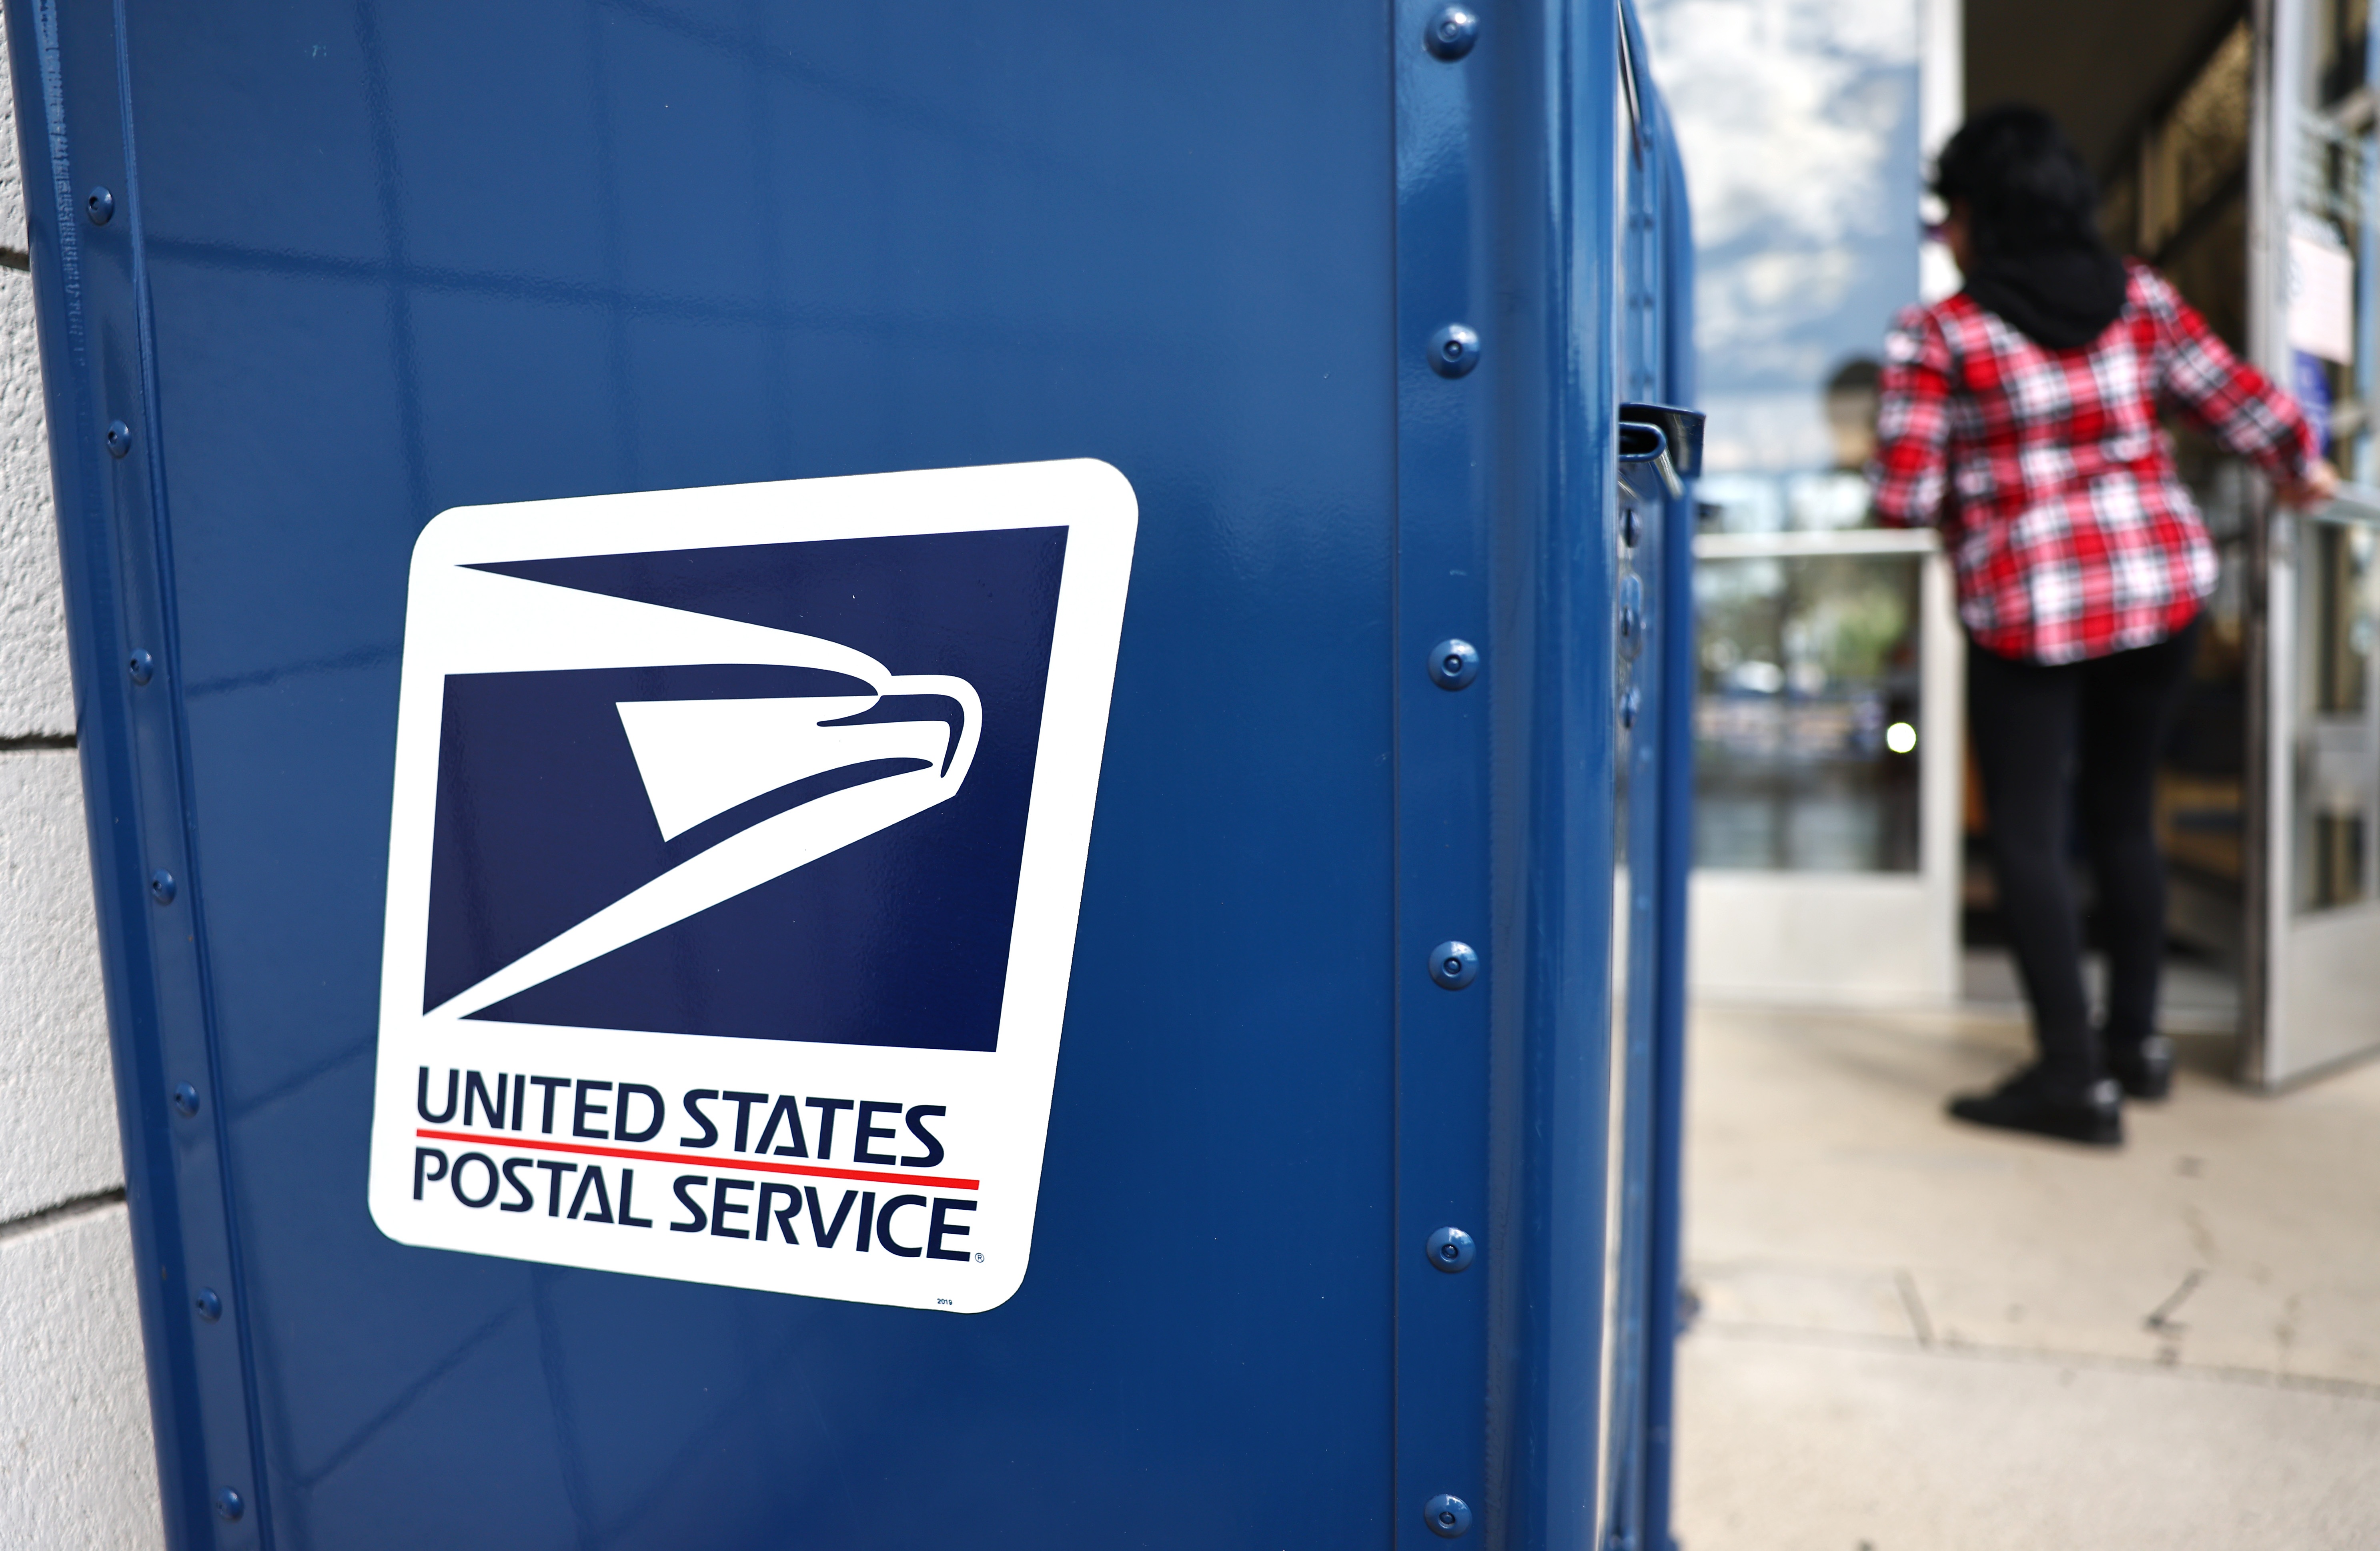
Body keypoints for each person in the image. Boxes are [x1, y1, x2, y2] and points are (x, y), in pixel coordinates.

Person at [1871, 105, 2334, 1146]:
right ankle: (2137, 1044)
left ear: (1980, 215)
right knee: (2125, 816)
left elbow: (1898, 498)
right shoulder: (2141, 299)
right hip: (2158, 586)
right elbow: (2254, 414)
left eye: (1950, 213)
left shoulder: (1938, 333)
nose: (1944, 234)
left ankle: (2071, 1081)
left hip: (2025, 603)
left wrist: (1969, 503)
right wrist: (2302, 469)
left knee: (2029, 834)